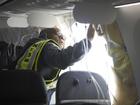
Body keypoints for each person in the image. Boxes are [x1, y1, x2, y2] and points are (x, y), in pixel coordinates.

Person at [15, 24, 95, 104]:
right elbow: (62, 58)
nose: (62, 38)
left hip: (20, 92)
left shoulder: (33, 45)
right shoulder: (48, 46)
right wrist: (88, 41)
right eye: (59, 35)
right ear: (47, 35)